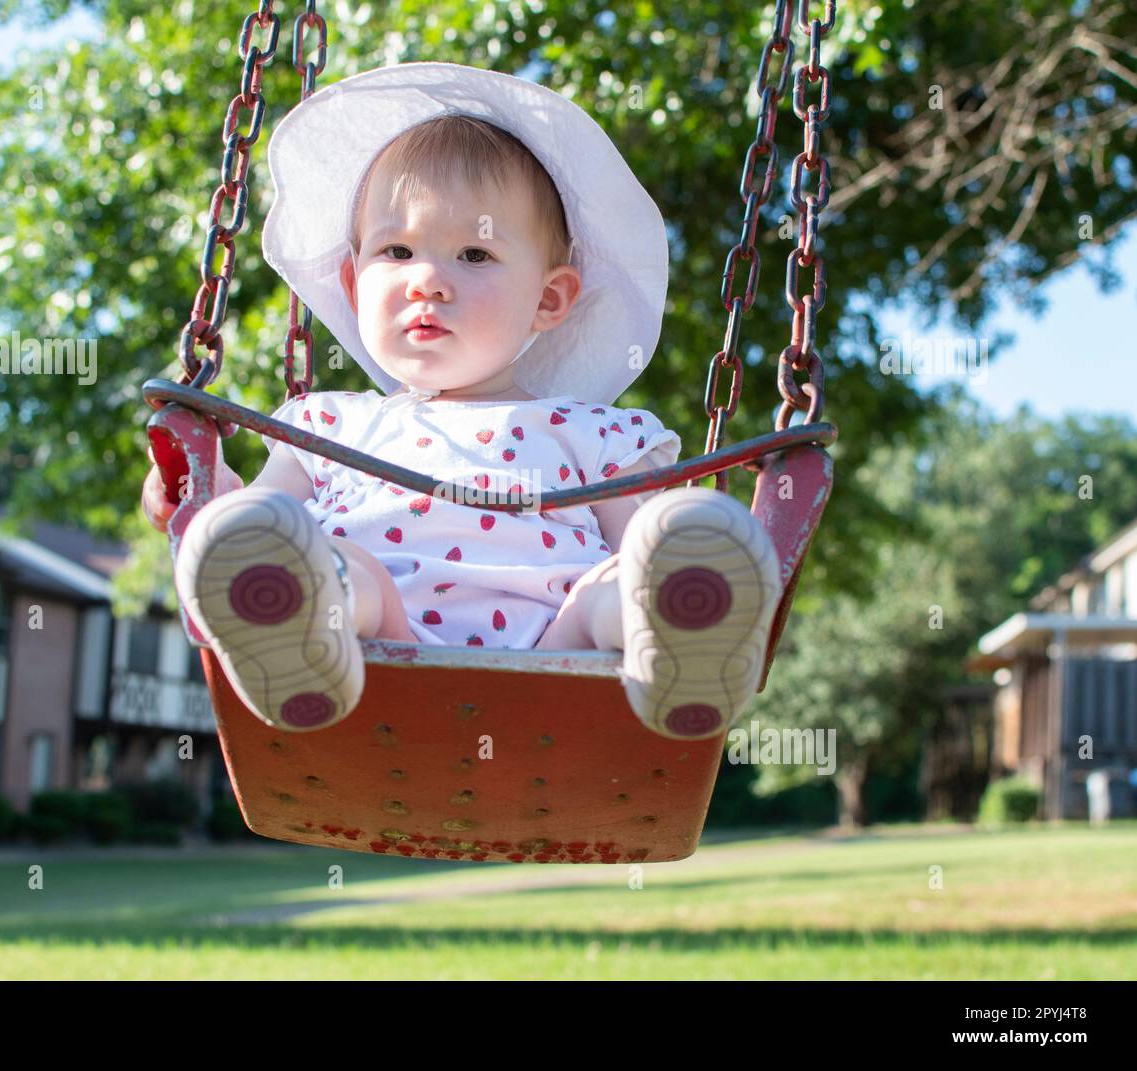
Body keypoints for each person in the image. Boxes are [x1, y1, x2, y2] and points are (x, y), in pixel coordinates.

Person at [142, 62, 781, 740]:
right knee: (316, 561)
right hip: (381, 655)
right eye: (397, 250)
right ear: (354, 285)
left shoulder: (593, 434)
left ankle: (683, 645)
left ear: (548, 298)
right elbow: (265, 518)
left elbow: (640, 549)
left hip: (559, 662)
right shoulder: (330, 425)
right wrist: (205, 500)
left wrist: (675, 563)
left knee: (628, 579)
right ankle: (293, 638)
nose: (427, 281)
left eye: (473, 255)